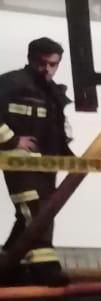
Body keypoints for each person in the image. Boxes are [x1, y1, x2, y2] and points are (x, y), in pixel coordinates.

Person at [0, 37, 72, 285]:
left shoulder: (51, 92)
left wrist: (67, 158)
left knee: (32, 214)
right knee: (37, 211)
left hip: (44, 164)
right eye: (43, 63)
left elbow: (55, 130)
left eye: (53, 64)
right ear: (31, 59)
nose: (48, 70)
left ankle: (9, 263)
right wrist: (12, 141)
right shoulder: (11, 83)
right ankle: (45, 268)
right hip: (18, 161)